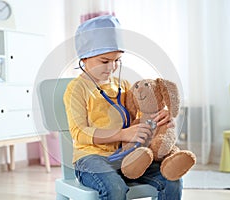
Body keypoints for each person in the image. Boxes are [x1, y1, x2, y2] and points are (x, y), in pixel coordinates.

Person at [63, 15, 183, 200]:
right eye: (105, 61)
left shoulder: (124, 85)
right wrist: (123, 134)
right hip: (91, 158)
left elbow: (143, 115)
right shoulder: (77, 89)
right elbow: (79, 132)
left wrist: (161, 117)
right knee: (115, 188)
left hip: (128, 156)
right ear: (84, 58)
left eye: (117, 60)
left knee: (172, 178)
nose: (112, 67)